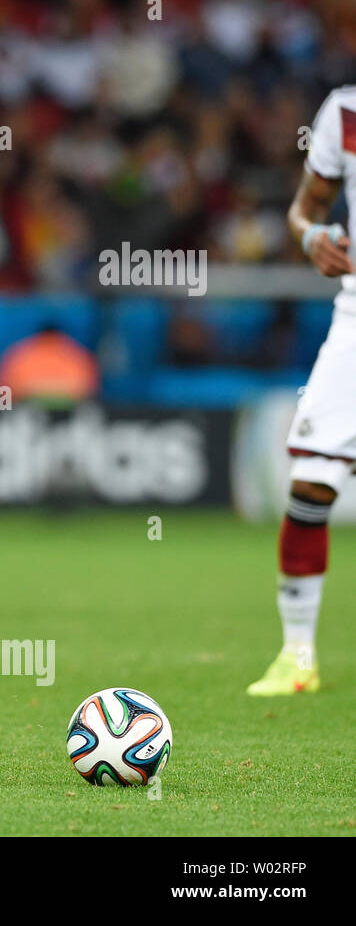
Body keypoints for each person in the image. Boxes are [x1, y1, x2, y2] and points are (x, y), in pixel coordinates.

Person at [247, 85, 356, 696]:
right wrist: (313, 235)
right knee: (312, 479)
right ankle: (298, 657)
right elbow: (303, 210)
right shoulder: (344, 112)